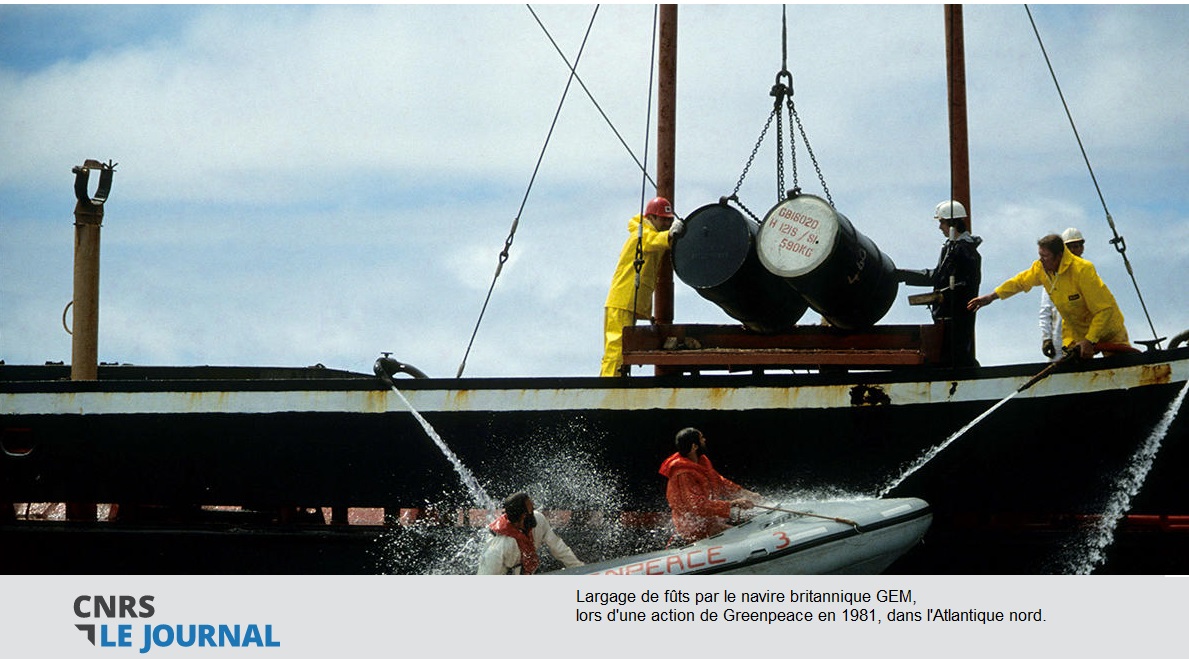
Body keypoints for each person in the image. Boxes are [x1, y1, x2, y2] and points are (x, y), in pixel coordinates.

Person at [968, 233, 1130, 358]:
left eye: (1045, 257)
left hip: (1108, 330)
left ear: (1059, 256)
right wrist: (991, 297)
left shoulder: (1082, 270)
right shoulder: (1041, 269)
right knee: (1073, 375)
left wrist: (1091, 340)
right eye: (1040, 256)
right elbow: (1020, 282)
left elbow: (1104, 310)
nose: (1041, 261)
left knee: (1122, 370)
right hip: (1078, 333)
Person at [600, 197, 685, 377]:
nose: (667, 223)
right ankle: (609, 384)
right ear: (650, 218)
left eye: (669, 220)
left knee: (622, 348)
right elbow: (650, 242)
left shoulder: (653, 236)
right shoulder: (641, 234)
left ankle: (616, 380)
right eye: (663, 219)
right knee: (617, 348)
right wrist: (670, 235)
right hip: (622, 301)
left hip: (630, 302)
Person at [897, 200, 983, 367]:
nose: (939, 227)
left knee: (955, 357)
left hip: (956, 318)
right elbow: (938, 276)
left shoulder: (965, 251)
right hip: (947, 317)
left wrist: (943, 295)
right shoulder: (952, 248)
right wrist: (903, 275)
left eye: (942, 222)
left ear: (952, 223)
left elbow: (966, 286)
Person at [658, 427, 761, 542]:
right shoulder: (683, 473)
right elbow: (697, 506)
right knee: (742, 537)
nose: (705, 440)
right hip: (694, 527)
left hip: (710, 519)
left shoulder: (702, 461)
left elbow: (721, 482)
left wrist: (746, 494)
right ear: (694, 447)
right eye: (701, 438)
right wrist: (733, 504)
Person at [476, 491, 584, 575]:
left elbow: (558, 548)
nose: (534, 512)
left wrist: (579, 569)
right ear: (523, 516)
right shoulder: (499, 547)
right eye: (531, 510)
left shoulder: (539, 520)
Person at [1039, 228, 1086, 359]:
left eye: (1076, 246)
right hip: (1058, 342)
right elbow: (1046, 311)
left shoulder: (1087, 274)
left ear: (1082, 248)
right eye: (1069, 247)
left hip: (1082, 341)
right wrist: (1046, 338)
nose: (1073, 251)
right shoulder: (1052, 277)